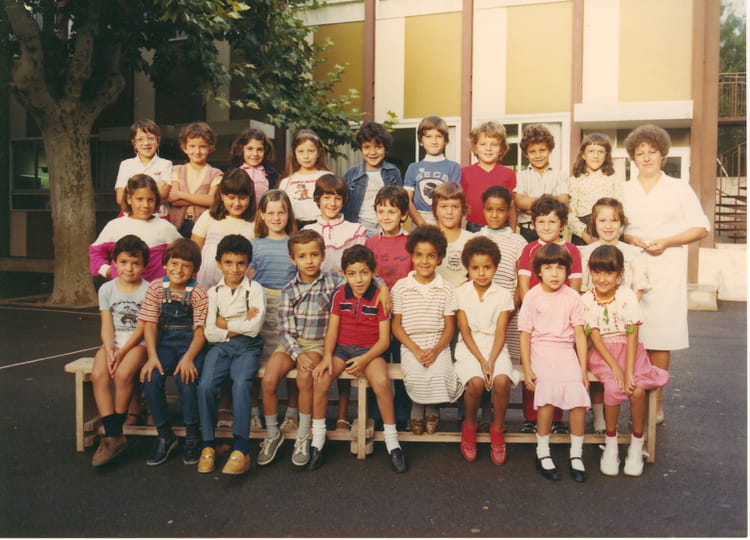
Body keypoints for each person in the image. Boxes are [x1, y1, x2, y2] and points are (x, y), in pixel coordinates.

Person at [622, 124, 709, 423]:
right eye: (640, 153)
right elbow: (612, 224)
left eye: (652, 151)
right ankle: (633, 397)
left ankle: (655, 401)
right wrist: (629, 238)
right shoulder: (625, 189)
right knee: (633, 333)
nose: (646, 157)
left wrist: (668, 241)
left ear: (663, 155)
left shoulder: (678, 187)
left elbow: (700, 228)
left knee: (660, 335)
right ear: (633, 158)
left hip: (667, 266)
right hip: (633, 266)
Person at [309, 245, 407, 473]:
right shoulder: (339, 294)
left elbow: (384, 340)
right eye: (352, 274)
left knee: (381, 382)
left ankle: (393, 443)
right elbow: (332, 331)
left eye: (364, 272)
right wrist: (327, 357)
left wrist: (364, 360)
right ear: (344, 274)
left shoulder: (380, 297)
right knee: (321, 379)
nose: (359, 279)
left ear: (373, 272)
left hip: (371, 351)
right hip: (342, 350)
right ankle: (318, 440)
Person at [582, 245, 669, 477]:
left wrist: (628, 371)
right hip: (604, 355)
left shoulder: (627, 296)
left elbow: (632, 334)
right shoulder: (587, 299)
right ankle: (611, 444)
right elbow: (595, 337)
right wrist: (615, 367)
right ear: (590, 272)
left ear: (619, 273)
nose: (602, 279)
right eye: (597, 272)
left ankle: (636, 445)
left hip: (631, 353)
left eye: (609, 273)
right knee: (613, 387)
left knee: (637, 390)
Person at [256, 230, 340, 468]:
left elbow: (364, 278)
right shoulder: (289, 290)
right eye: (302, 256)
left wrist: (382, 288)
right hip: (291, 343)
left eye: (314, 254)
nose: (309, 261)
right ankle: (273, 434)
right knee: (269, 380)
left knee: (305, 377)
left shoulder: (334, 281)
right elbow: (284, 330)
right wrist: (297, 354)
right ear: (293, 259)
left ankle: (303, 434)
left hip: (317, 343)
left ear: (323, 255)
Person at [518, 243, 590, 482]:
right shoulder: (532, 296)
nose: (555, 274)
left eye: (560, 268)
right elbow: (525, 334)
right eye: (548, 268)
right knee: (547, 396)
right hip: (541, 350)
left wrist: (583, 370)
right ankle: (543, 451)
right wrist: (527, 368)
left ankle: (576, 454)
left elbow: (579, 335)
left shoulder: (572, 297)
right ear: (539, 271)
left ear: (567, 271)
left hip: (565, 351)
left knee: (577, 398)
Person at [196, 235, 265, 475]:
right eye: (228, 263)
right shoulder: (213, 292)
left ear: (247, 264)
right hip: (220, 347)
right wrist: (240, 323)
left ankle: (241, 448)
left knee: (241, 383)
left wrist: (225, 324)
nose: (234, 269)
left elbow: (254, 329)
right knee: (205, 385)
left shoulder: (255, 289)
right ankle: (208, 444)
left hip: (248, 347)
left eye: (240, 263)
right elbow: (209, 332)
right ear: (218, 263)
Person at [580, 197, 649, 433]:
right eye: (602, 220)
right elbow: (583, 288)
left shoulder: (633, 253)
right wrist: (596, 313)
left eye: (614, 221)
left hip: (623, 321)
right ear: (594, 223)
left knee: (627, 372)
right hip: (594, 318)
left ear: (622, 224)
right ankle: (599, 417)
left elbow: (638, 287)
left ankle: (631, 421)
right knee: (600, 366)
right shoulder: (585, 252)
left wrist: (622, 308)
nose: (608, 226)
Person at [138, 239, 208, 466]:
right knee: (150, 377)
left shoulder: (198, 292)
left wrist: (188, 358)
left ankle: (192, 434)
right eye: (174, 263)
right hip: (166, 342)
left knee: (186, 378)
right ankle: (165, 435)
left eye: (186, 266)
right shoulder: (156, 287)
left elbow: (200, 332)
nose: (179, 270)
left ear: (194, 270)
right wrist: (152, 357)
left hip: (191, 343)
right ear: (165, 264)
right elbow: (150, 324)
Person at [517, 195, 582, 434]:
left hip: (561, 320)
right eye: (541, 221)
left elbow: (575, 286)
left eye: (552, 222)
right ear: (533, 223)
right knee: (534, 368)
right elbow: (524, 285)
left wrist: (563, 313)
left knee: (560, 371)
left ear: (562, 224)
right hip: (536, 318)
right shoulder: (529, 249)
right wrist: (533, 311)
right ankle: (531, 417)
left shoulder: (571, 250)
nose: (546, 227)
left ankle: (556, 418)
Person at [391, 225, 462, 435]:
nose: (424, 261)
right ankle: (417, 406)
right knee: (414, 373)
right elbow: (396, 325)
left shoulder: (446, 288)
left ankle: (432, 407)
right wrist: (415, 349)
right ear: (412, 256)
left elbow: (450, 327)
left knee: (440, 372)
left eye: (431, 256)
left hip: (438, 343)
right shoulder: (401, 287)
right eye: (419, 255)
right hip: (410, 343)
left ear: (440, 258)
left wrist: (436, 350)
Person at [454, 237, 518, 465]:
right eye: (475, 268)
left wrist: (491, 360)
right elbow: (465, 331)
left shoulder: (503, 295)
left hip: (496, 347)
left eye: (487, 267)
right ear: (468, 268)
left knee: (501, 381)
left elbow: (500, 332)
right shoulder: (461, 293)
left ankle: (497, 429)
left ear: (496, 267)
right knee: (476, 383)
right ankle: (469, 425)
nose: (481, 273)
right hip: (470, 347)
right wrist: (482, 360)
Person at [90, 235, 150, 467]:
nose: (129, 268)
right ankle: (114, 435)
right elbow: (106, 324)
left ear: (144, 265)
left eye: (136, 263)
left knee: (123, 375)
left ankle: (113, 434)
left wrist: (122, 352)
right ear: (114, 262)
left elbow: (143, 328)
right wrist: (109, 349)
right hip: (113, 342)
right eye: (123, 262)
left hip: (137, 343)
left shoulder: (148, 290)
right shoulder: (106, 289)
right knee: (99, 374)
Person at [247, 189, 300, 433]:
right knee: (256, 362)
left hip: (288, 309)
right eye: (271, 213)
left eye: (281, 212)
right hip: (261, 308)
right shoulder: (255, 245)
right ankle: (254, 411)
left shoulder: (294, 244)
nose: (276, 218)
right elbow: (248, 280)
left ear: (289, 214)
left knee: (290, 361)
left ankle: (292, 412)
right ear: (262, 214)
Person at [365, 185, 413, 428]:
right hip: (377, 315)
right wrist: (381, 287)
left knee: (403, 364)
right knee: (378, 363)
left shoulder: (411, 242)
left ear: (403, 214)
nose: (385, 216)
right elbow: (366, 275)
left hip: (405, 313)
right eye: (381, 211)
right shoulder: (370, 243)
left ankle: (402, 415)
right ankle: (376, 415)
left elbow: (415, 275)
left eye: (391, 211)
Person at [90, 174, 181, 282]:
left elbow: (184, 253)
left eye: (150, 200)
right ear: (129, 199)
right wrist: (107, 271)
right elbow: (95, 251)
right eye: (139, 199)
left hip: (156, 289)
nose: (145, 205)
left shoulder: (165, 227)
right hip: (123, 289)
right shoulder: (115, 226)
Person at [477, 186, 526, 359]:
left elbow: (521, 280)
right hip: (481, 312)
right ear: (483, 209)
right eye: (489, 209)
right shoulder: (475, 238)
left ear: (508, 211)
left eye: (500, 210)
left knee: (508, 361)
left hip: (509, 310)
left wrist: (511, 309)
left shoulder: (518, 241)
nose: (494, 215)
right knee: (482, 357)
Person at [190, 168, 256, 290]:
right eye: (231, 197)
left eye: (242, 198)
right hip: (205, 286)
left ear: (250, 197)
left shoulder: (254, 224)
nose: (237, 203)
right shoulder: (208, 217)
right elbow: (193, 252)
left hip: (239, 289)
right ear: (222, 195)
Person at [343, 121, 403, 236]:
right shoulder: (351, 174)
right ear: (361, 149)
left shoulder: (393, 172)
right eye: (367, 147)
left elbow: (400, 203)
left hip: (385, 230)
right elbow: (343, 206)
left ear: (385, 148)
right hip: (357, 231)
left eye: (378, 147)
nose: (372, 152)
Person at [514, 124, 569, 242]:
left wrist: (531, 205)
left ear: (550, 150)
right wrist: (551, 201)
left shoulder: (560, 175)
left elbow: (563, 202)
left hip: (553, 231)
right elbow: (520, 202)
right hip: (528, 231)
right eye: (532, 151)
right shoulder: (521, 176)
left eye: (542, 150)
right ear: (526, 154)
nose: (538, 155)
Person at [168, 122, 223, 237]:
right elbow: (173, 199)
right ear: (185, 148)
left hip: (204, 226)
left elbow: (212, 201)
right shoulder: (177, 170)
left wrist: (181, 194)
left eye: (202, 146)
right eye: (192, 146)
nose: (197, 151)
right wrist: (202, 199)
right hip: (177, 225)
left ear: (210, 148)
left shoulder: (215, 174)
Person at [404, 115, 461, 226]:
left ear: (446, 140)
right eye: (428, 136)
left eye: (439, 136)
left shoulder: (453, 167)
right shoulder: (413, 168)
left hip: (444, 218)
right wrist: (421, 223)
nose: (434, 141)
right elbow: (407, 200)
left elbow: (454, 200)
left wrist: (441, 224)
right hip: (419, 218)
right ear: (421, 141)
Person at [304, 174, 367, 274]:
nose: (332, 203)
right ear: (318, 199)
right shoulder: (308, 231)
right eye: (327, 197)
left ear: (343, 201)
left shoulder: (355, 231)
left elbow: (361, 265)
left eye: (337, 198)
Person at [567, 133, 624, 245]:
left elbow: (622, 209)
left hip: (609, 228)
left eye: (600, 152)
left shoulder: (614, 179)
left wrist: (614, 235)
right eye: (591, 151)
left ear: (606, 155)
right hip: (583, 232)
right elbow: (569, 213)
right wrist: (585, 235)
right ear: (583, 155)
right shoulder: (574, 181)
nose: (596, 156)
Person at [461, 121, 517, 232]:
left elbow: (512, 207)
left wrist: (512, 233)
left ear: (501, 149)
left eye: (494, 145)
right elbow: (458, 206)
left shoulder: (509, 174)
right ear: (475, 148)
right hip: (474, 227)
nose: (488, 148)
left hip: (502, 228)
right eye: (483, 144)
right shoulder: (464, 173)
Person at [114, 119, 172, 214]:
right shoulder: (126, 164)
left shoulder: (166, 164)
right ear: (134, 142)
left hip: (158, 216)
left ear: (158, 140)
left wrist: (132, 192)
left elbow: (164, 194)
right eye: (140, 139)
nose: (146, 143)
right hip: (131, 216)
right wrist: (156, 189)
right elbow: (120, 198)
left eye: (150, 138)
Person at [278, 128, 330, 228]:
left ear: (319, 152)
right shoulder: (286, 181)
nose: (306, 156)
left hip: (321, 226)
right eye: (300, 151)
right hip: (294, 227)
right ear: (294, 153)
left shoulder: (327, 177)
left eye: (311, 151)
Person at [432, 182, 475, 288]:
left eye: (455, 207)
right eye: (443, 206)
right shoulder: (426, 238)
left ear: (462, 209)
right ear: (435, 209)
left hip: (461, 296)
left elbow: (475, 278)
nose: (449, 212)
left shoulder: (470, 240)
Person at [228, 127, 280, 203]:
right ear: (241, 149)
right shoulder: (233, 173)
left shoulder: (272, 174)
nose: (255, 154)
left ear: (265, 151)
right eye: (250, 149)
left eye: (260, 149)